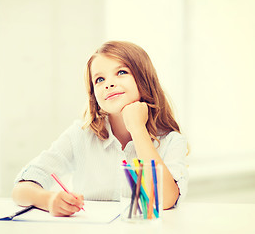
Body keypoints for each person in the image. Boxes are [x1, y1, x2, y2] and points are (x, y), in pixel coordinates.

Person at [12, 41, 189, 217]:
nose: (109, 84)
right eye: (100, 79)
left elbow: (165, 200)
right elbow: (21, 189)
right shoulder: (80, 135)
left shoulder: (171, 140)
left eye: (121, 72)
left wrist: (137, 129)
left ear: (144, 79)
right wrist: (49, 200)